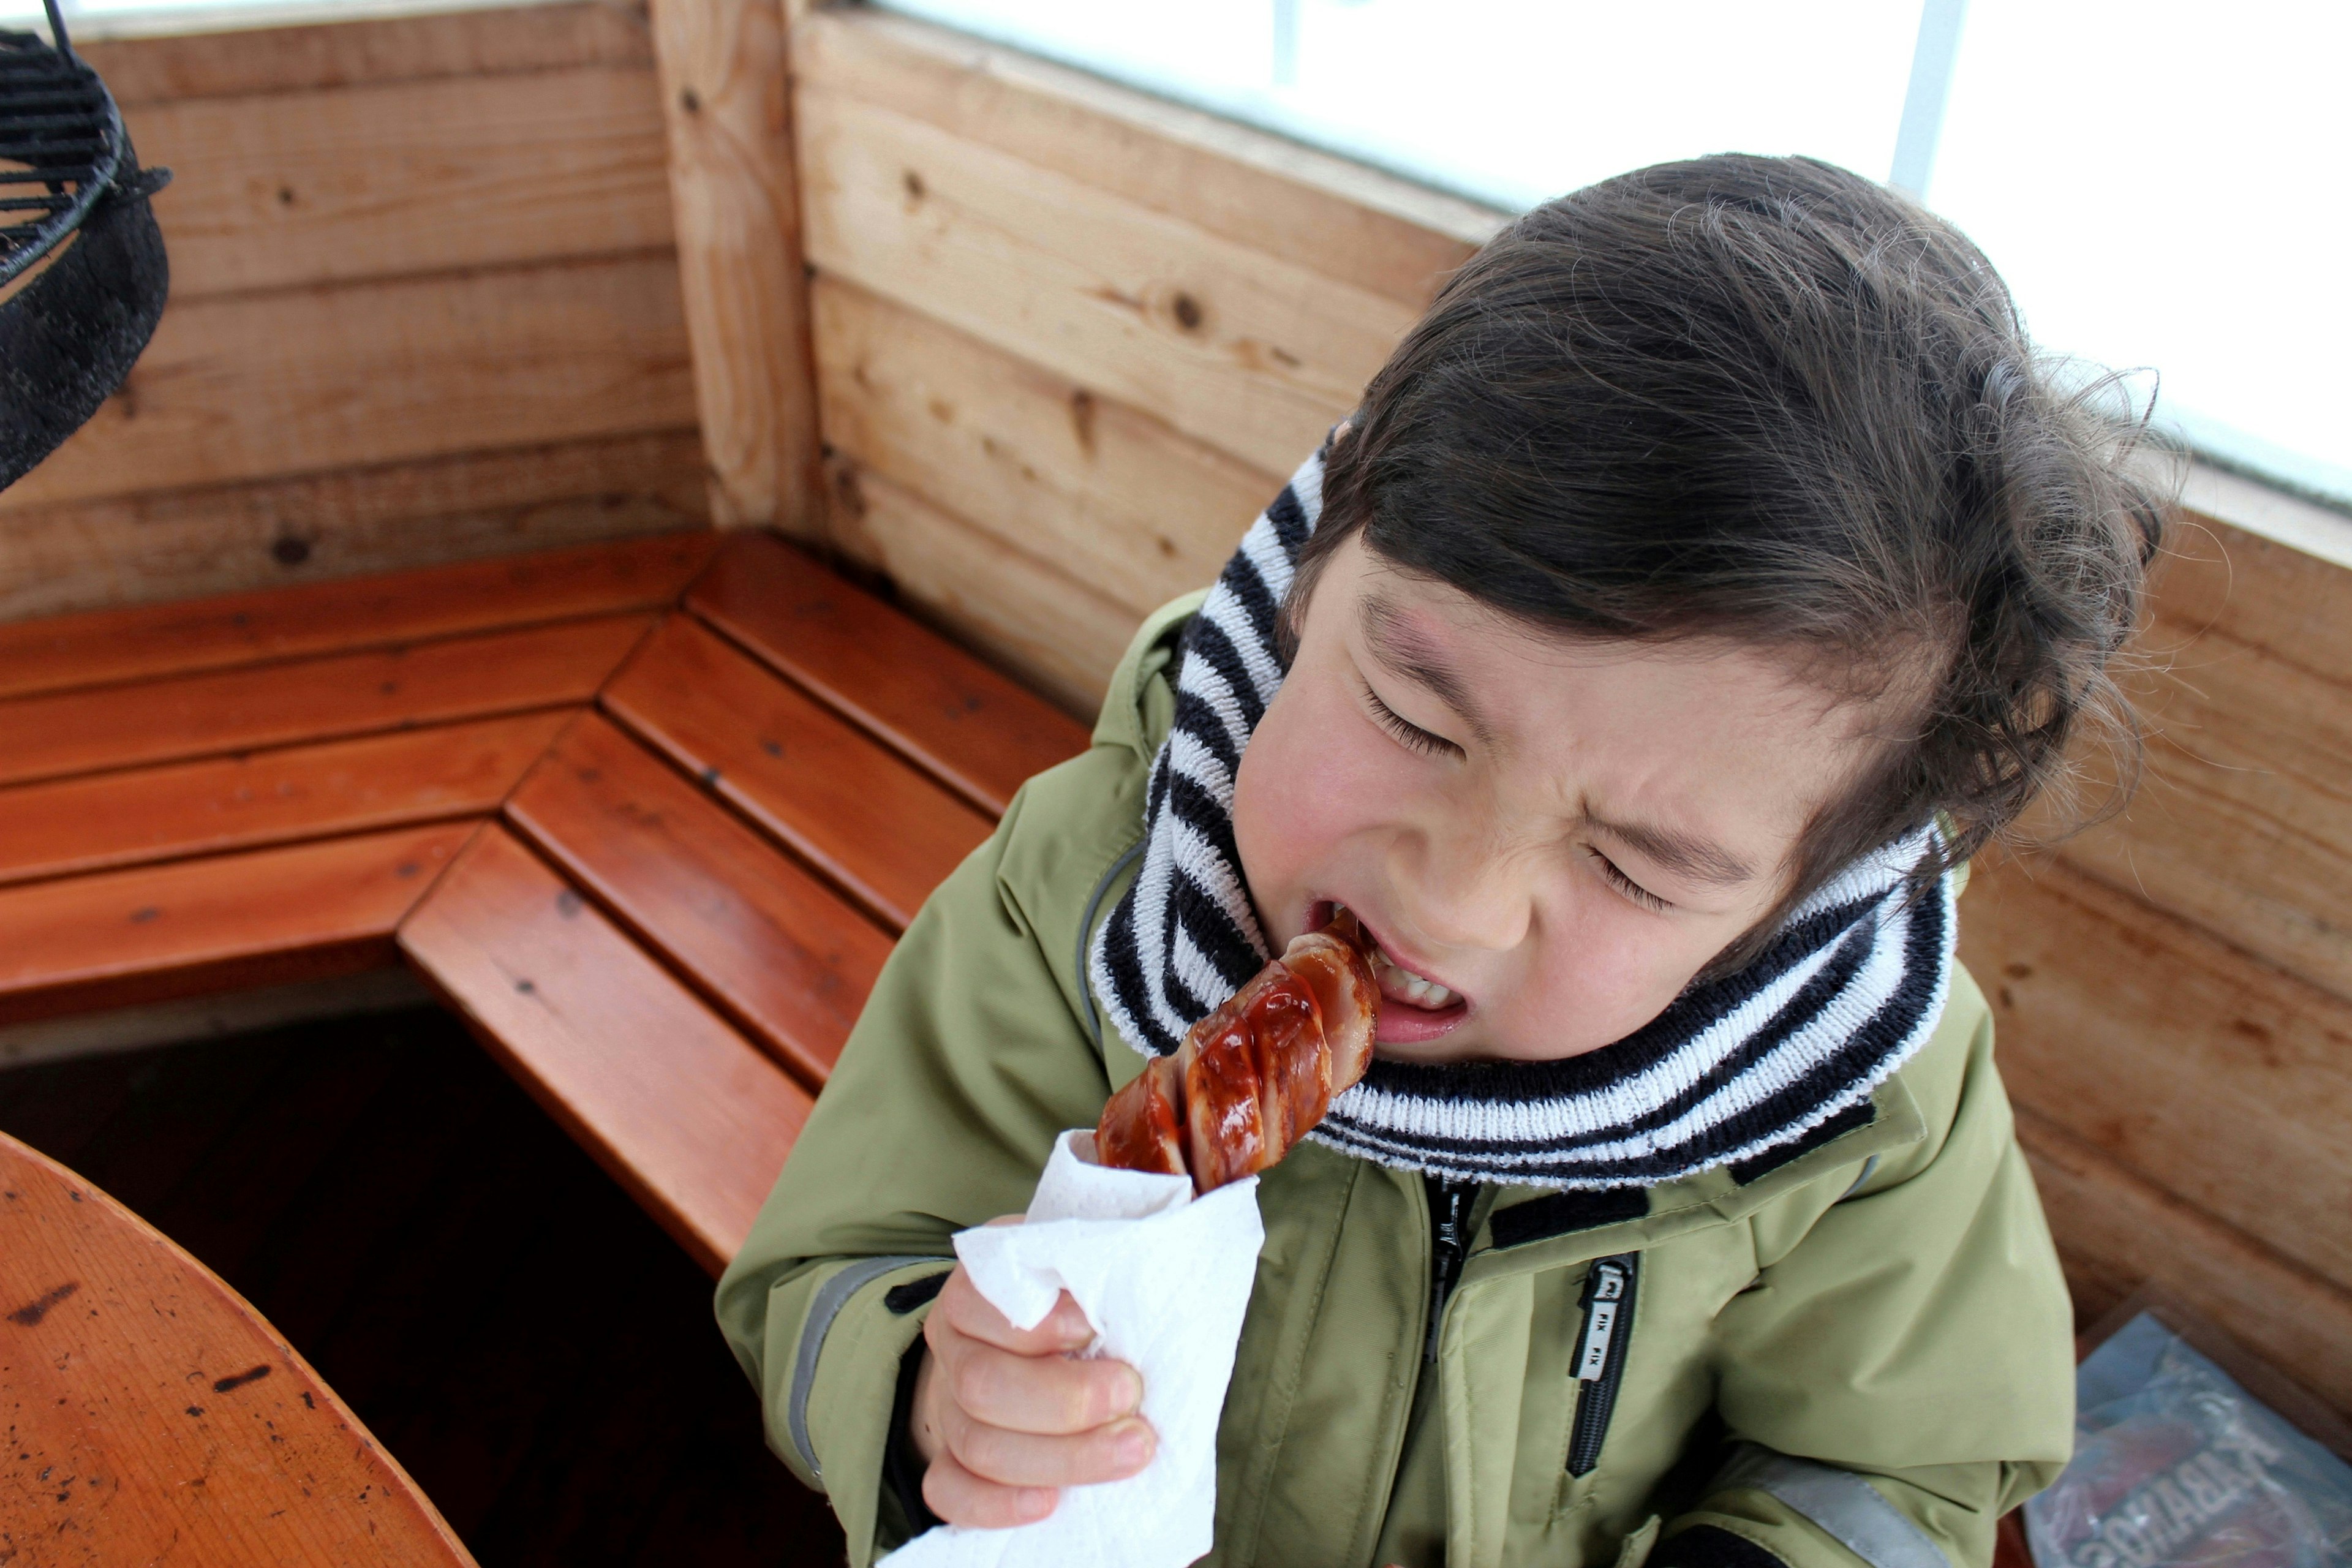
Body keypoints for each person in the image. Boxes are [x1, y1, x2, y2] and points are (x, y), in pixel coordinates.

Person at [715, 153, 2166, 1568]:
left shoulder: (1855, 1094)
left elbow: (1903, 1462)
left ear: (1793, 902)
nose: (1452, 896)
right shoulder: (1094, 899)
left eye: (1641, 869)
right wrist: (922, 1399)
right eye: (1416, 716)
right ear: (1312, 572)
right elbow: (820, 1271)